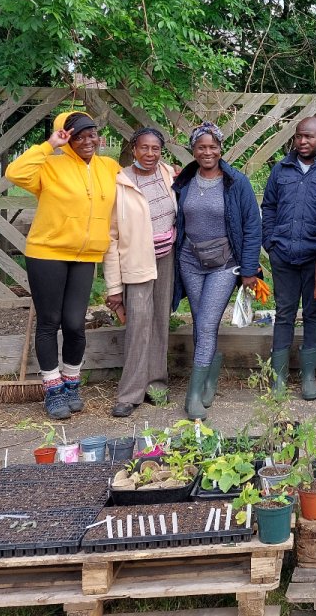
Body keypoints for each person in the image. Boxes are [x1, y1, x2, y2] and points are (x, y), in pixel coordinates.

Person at [6, 111, 119, 419]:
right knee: (49, 321)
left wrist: (170, 173)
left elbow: (137, 185)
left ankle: (71, 383)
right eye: (77, 135)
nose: (87, 141)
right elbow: (14, 173)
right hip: (47, 253)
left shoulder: (109, 167)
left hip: (86, 255)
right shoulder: (49, 166)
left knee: (74, 323)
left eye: (91, 134)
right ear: (66, 137)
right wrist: (50, 145)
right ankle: (52, 390)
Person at [172, 123, 262, 421]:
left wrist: (249, 269)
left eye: (212, 147)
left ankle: (193, 395)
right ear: (193, 150)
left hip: (223, 263)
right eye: (201, 147)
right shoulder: (184, 180)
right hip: (189, 260)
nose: (207, 152)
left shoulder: (236, 182)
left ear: (221, 149)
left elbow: (252, 227)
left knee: (208, 323)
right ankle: (210, 375)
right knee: (200, 322)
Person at [261, 116, 316, 400]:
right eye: (299, 136)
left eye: (309, 137)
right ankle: (279, 378)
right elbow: (269, 207)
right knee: (284, 313)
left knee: (314, 313)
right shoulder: (281, 169)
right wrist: (270, 243)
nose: (302, 142)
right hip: (283, 255)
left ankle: (309, 376)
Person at [103, 128, 177, 418]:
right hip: (135, 263)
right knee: (137, 325)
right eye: (144, 148)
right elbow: (110, 237)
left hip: (166, 259)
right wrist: (113, 287)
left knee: (161, 320)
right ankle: (129, 393)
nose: (149, 154)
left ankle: (156, 385)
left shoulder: (168, 174)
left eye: (155, 149)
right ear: (133, 149)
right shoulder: (120, 182)